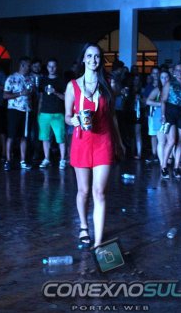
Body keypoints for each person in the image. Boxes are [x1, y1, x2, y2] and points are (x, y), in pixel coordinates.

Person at [64, 43, 124, 248]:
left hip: (103, 141)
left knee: (99, 192)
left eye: (97, 56)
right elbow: (67, 116)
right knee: (84, 191)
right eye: (89, 56)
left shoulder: (108, 83)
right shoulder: (72, 85)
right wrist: (72, 120)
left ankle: (98, 242)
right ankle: (83, 226)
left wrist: (119, 142)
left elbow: (112, 116)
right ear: (83, 59)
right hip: (81, 141)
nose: (93, 60)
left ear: (101, 60)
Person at [3, 57, 35, 171]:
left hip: (26, 111)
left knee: (24, 136)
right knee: (11, 136)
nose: (29, 68)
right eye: (28, 66)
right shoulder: (11, 78)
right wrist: (20, 93)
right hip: (14, 110)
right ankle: (8, 160)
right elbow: (5, 95)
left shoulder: (31, 78)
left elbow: (32, 94)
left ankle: (23, 161)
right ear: (22, 65)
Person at [160, 63, 181, 178]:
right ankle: (164, 166)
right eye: (177, 70)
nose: (179, 72)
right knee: (171, 141)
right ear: (174, 72)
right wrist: (163, 115)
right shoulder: (169, 83)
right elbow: (163, 100)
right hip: (170, 112)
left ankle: (176, 167)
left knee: (180, 141)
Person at [38, 58, 67, 169]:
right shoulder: (43, 80)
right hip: (44, 113)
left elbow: (65, 98)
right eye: (49, 66)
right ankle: (46, 158)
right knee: (44, 137)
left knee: (60, 138)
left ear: (57, 67)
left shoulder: (61, 81)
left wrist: (55, 92)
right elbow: (41, 98)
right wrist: (39, 112)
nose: (51, 68)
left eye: (54, 66)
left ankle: (62, 160)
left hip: (58, 113)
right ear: (47, 67)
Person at [145, 70, 168, 167]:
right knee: (160, 140)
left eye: (166, 77)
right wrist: (160, 104)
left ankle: (168, 160)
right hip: (158, 115)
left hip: (170, 115)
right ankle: (162, 163)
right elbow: (148, 101)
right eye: (162, 77)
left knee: (170, 140)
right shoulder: (158, 89)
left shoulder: (172, 88)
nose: (164, 79)